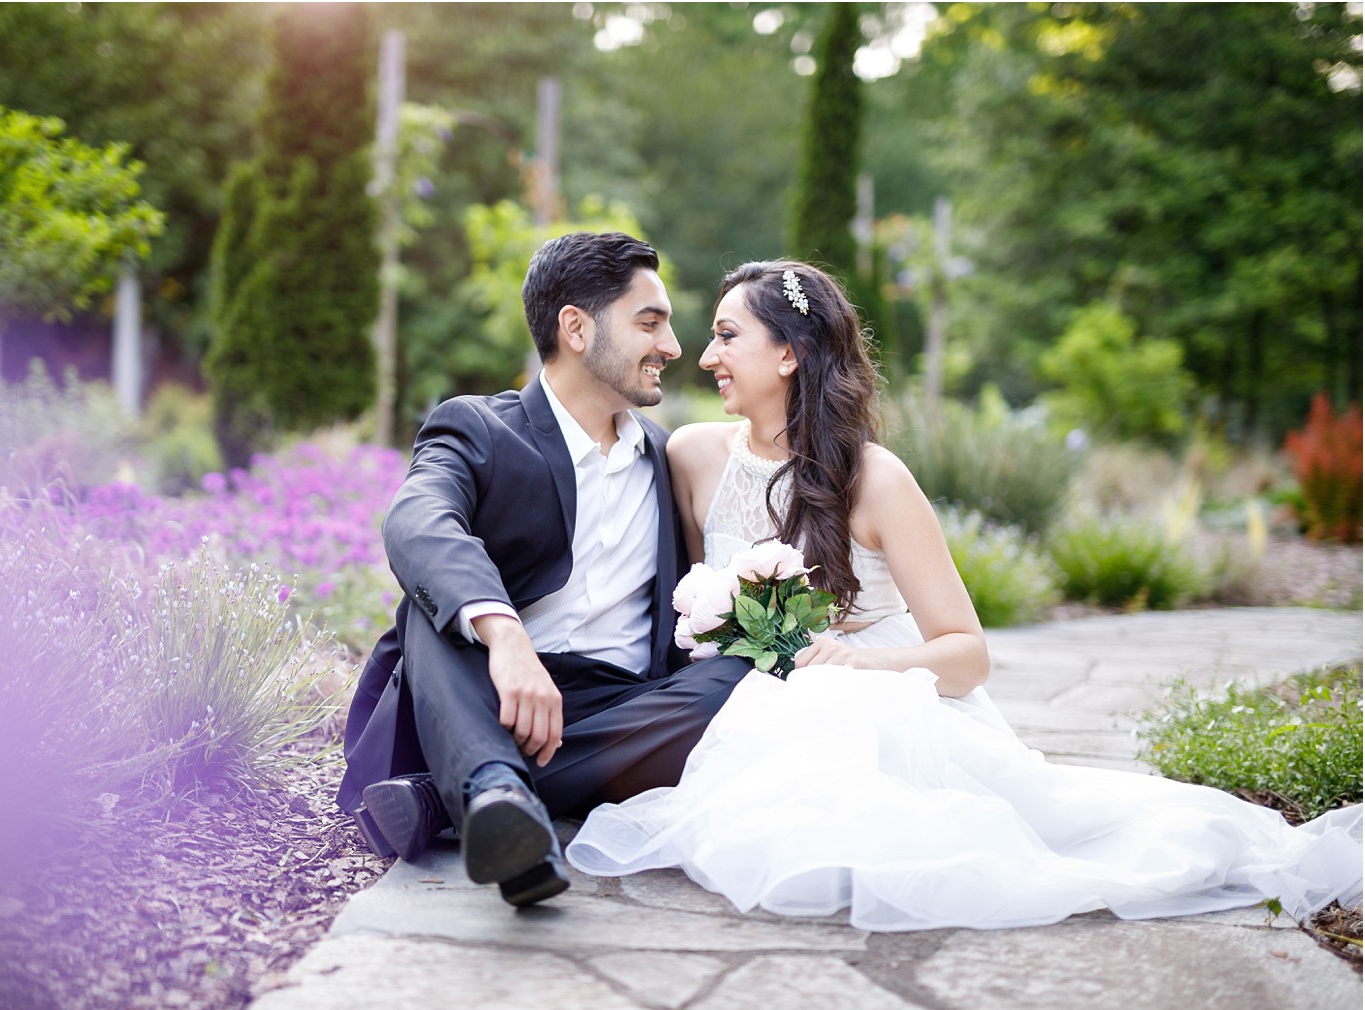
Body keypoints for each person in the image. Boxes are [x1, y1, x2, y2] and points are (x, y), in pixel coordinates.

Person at [565, 260, 1362, 929]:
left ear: (790, 355)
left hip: (878, 690)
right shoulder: (696, 455)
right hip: (745, 691)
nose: (705, 356)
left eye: (728, 336)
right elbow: (689, 597)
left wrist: (850, 666)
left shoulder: (875, 481)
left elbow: (968, 654)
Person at [337, 232, 752, 908]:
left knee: (738, 679)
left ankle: (457, 797)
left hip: (618, 709)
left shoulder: (664, 456)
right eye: (650, 322)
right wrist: (505, 636)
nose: (673, 348)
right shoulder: (477, 428)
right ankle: (495, 789)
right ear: (577, 328)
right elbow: (417, 523)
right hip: (481, 691)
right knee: (439, 607)